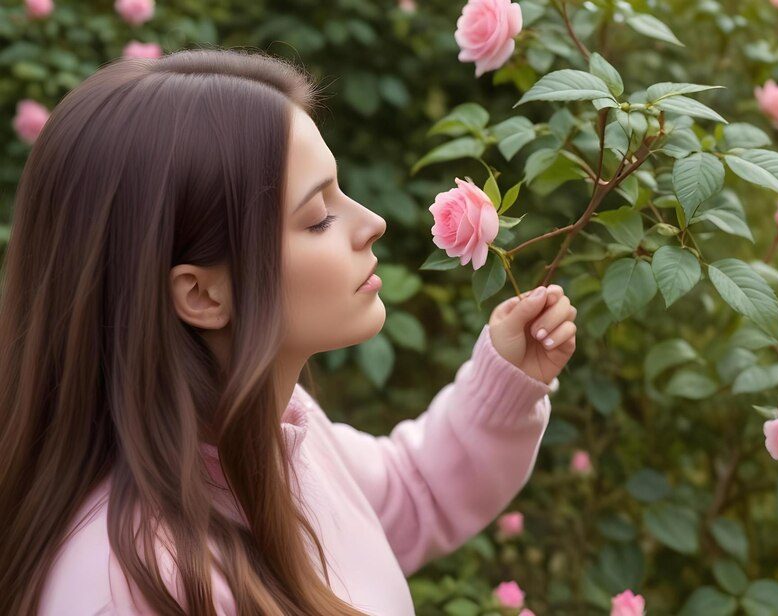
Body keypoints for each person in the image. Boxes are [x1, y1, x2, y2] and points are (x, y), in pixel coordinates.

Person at [0, 47, 577, 615]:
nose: (372, 223)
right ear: (202, 293)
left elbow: (409, 495)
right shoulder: (140, 587)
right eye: (318, 217)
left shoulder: (276, 429)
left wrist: (504, 381)